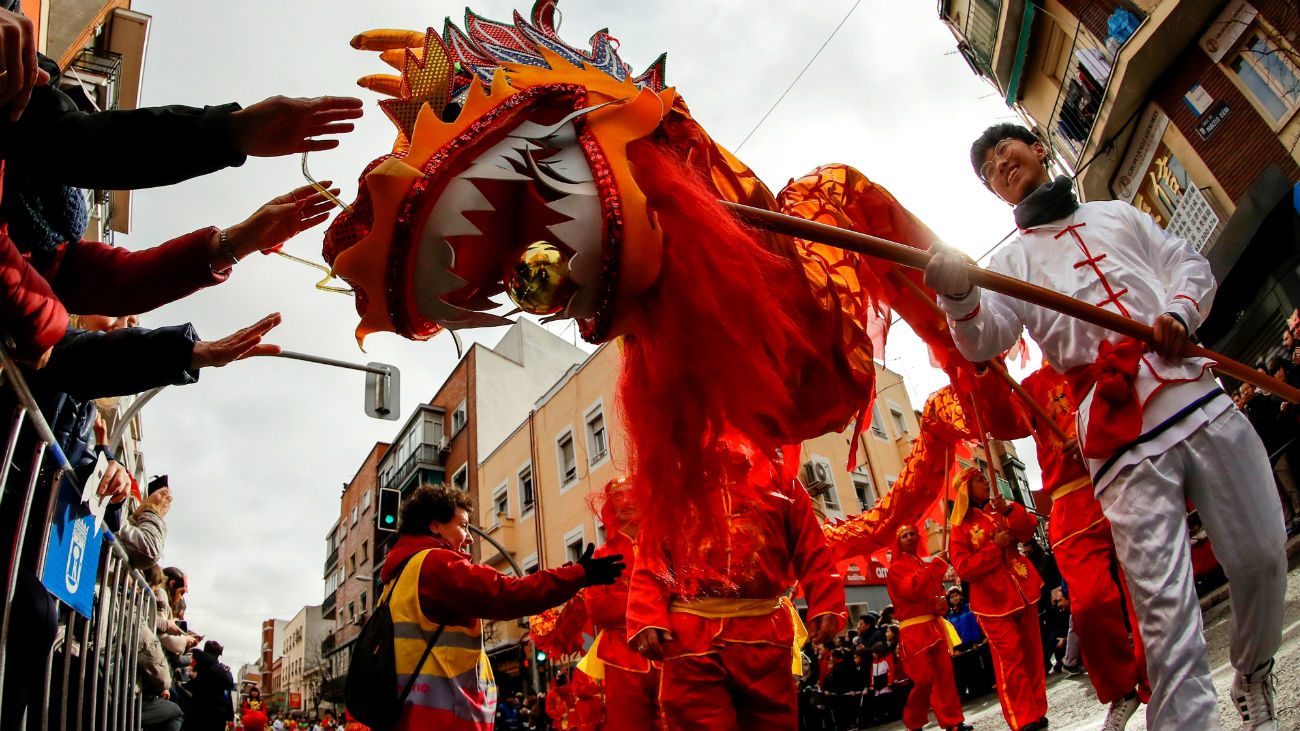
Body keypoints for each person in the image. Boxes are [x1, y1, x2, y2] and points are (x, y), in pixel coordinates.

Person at [926, 122, 1287, 730]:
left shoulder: (1118, 215)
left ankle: (1252, 669)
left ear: (1038, 148)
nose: (998, 164)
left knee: (1262, 557)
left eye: (1003, 150)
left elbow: (1187, 264)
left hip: (1194, 390)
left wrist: (1178, 311)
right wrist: (960, 298)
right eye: (987, 169)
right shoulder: (1009, 264)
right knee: (1164, 612)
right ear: (993, 193)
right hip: (1118, 436)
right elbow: (985, 338)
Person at [627, 432, 846, 731]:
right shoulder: (676, 484)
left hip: (764, 636)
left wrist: (827, 601)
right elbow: (651, 554)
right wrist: (645, 616)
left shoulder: (780, 478)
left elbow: (811, 544)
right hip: (691, 639)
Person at [379, 482, 623, 730]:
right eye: (463, 526)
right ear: (434, 524)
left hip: (413, 712)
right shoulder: (436, 564)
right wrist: (578, 575)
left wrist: (570, 573)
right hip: (441, 717)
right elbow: (508, 592)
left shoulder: (399, 577)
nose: (470, 537)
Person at [1015, 364, 1148, 728]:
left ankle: (1161, 682)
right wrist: (977, 370)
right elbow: (1000, 419)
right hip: (1071, 505)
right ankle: (1122, 689)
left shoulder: (1097, 356)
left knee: (1147, 594)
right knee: (1088, 604)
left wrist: (1093, 436)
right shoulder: (1027, 387)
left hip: (1117, 479)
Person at [947, 467, 1047, 731]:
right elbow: (964, 568)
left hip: (1022, 588)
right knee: (1011, 659)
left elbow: (1027, 532)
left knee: (1033, 656)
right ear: (966, 489)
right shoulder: (959, 529)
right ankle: (1022, 717)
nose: (986, 483)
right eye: (979, 480)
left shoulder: (1001, 508)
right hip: (992, 602)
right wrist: (995, 547)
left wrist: (1009, 511)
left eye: (984, 478)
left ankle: (1037, 710)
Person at [885, 524, 969, 731]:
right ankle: (914, 720)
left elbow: (932, 591)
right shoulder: (895, 569)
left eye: (913, 533)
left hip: (934, 626)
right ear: (898, 542)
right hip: (913, 631)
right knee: (924, 679)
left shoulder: (923, 564)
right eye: (904, 535)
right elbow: (911, 590)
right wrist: (937, 567)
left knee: (945, 677)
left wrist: (939, 602)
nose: (910, 537)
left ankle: (953, 722)